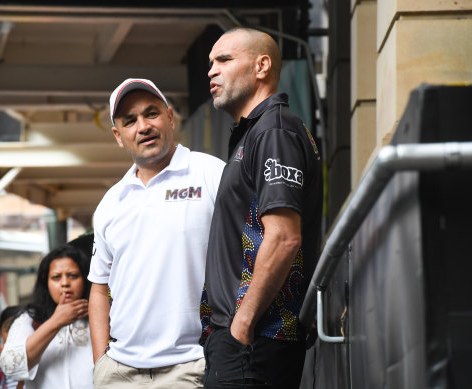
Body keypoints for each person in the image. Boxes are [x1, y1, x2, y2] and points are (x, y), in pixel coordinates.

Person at [202, 27, 323, 388]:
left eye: (224, 60)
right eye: (210, 63)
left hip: (255, 340)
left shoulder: (274, 130)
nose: (211, 71)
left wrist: (241, 325)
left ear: (261, 66)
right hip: (244, 339)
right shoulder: (256, 132)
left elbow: (284, 237)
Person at [88, 78, 225, 388]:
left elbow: (252, 250)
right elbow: (98, 288)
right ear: (119, 136)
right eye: (130, 121)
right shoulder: (112, 202)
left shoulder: (212, 173)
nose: (143, 126)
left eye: (151, 113)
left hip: (191, 366)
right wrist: (101, 362)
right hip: (120, 372)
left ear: (170, 118)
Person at [0, 244, 94, 389]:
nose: (64, 283)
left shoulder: (99, 317)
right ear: (46, 282)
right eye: (56, 277)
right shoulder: (29, 318)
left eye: (73, 275)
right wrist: (56, 321)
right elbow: (10, 365)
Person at [0, 305, 24, 389]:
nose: (15, 335)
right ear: (1, 336)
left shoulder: (43, 370)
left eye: (20, 329)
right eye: (9, 329)